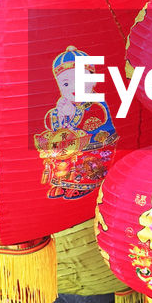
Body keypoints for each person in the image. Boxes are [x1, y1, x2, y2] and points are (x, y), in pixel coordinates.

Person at [33, 46, 117, 199]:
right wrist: (58, 116)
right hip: (71, 146)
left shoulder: (96, 103)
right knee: (57, 155)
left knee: (86, 162)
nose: (73, 88)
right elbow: (58, 128)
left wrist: (74, 113)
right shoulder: (63, 104)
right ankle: (62, 184)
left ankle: (83, 184)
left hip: (94, 144)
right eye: (66, 84)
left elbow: (92, 123)